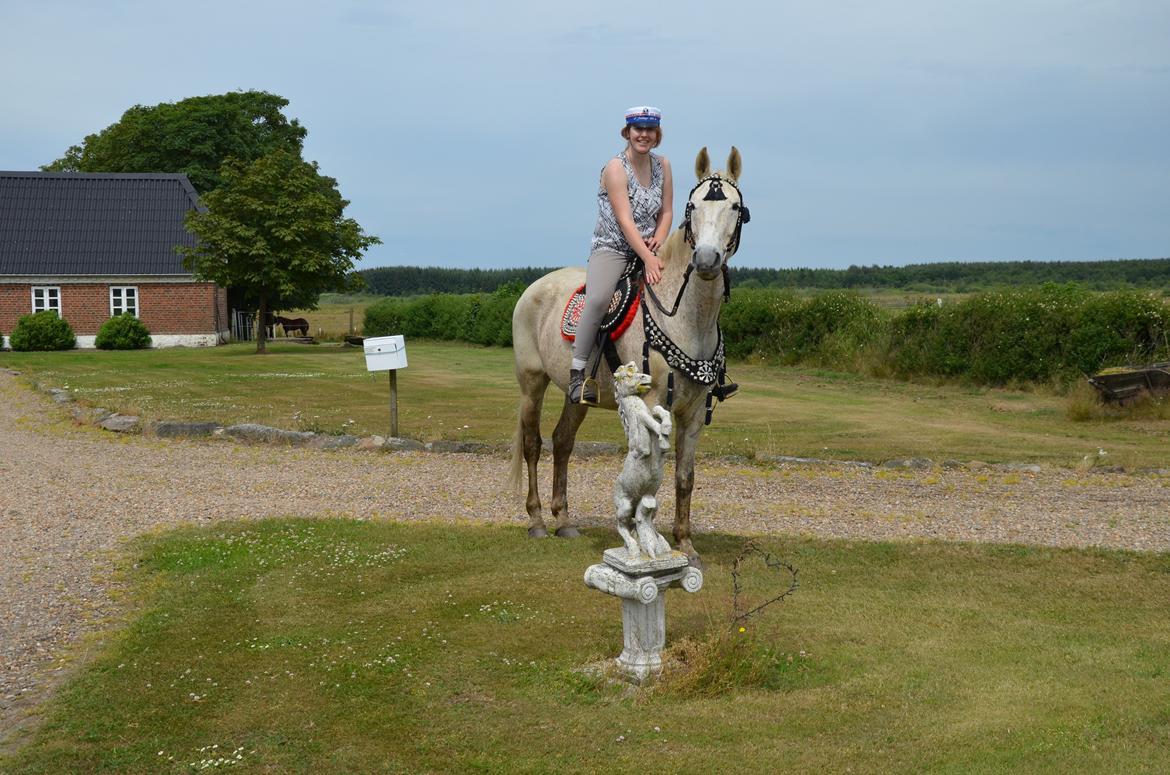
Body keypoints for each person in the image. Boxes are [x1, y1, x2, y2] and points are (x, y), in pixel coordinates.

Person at [569, 105, 674, 405]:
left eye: (649, 129)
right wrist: (648, 258)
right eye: (638, 129)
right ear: (627, 133)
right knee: (599, 298)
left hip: (650, 247)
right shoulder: (616, 167)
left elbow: (666, 211)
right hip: (613, 247)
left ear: (657, 135)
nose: (643, 134)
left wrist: (659, 240)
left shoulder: (663, 165)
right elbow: (625, 221)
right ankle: (578, 373)